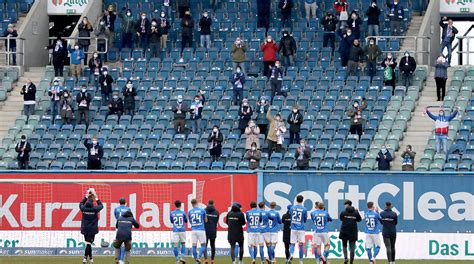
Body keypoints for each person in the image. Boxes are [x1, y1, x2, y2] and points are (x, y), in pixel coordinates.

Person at [79, 188, 103, 264]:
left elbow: (80, 203)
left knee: (88, 243)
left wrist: (86, 196)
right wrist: (96, 198)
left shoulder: (83, 208)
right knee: (89, 244)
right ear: (92, 203)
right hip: (92, 229)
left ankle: (91, 258)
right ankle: (85, 258)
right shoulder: (95, 209)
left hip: (85, 229)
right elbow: (101, 206)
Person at [339, 200, 362, 264]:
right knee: (352, 247)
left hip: (344, 231)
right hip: (353, 232)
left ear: (347, 205)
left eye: (345, 205)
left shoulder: (343, 212)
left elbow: (341, 218)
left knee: (344, 245)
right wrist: (357, 212)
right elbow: (359, 220)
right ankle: (351, 261)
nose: (344, 206)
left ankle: (346, 258)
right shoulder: (355, 212)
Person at [288, 195, 307, 264]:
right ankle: (301, 261)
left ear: (296, 200)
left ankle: (292, 255)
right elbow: (305, 220)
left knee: (292, 244)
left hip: (293, 228)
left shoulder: (292, 208)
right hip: (301, 228)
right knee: (301, 244)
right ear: (302, 200)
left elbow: (291, 216)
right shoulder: (304, 209)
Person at [188, 198, 207, 263]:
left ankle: (196, 261)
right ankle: (198, 257)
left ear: (192, 204)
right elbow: (206, 220)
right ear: (197, 203)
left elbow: (190, 221)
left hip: (193, 230)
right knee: (203, 245)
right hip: (201, 230)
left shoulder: (190, 212)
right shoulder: (202, 211)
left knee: (194, 246)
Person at [114, 198, 131, 264]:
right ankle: (121, 259)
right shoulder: (128, 209)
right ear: (125, 202)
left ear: (119, 202)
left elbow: (116, 217)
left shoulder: (116, 209)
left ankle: (117, 259)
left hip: (118, 227)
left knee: (118, 244)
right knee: (124, 244)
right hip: (126, 227)